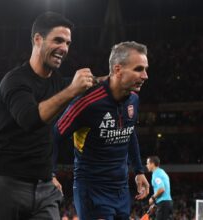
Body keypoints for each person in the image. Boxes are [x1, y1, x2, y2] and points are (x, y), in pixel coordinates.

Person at [0, 12, 97, 220]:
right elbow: (30, 119)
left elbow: (95, 83)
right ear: (38, 39)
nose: (64, 48)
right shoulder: (15, 81)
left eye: (68, 43)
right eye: (58, 40)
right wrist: (71, 91)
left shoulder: (58, 83)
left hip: (45, 191)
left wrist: (121, 77)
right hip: (5, 188)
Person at [53, 41, 150, 220]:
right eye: (138, 69)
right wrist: (49, 173)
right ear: (118, 69)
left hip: (121, 190)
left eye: (145, 69)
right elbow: (54, 135)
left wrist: (138, 171)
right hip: (92, 190)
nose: (145, 75)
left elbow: (129, 134)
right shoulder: (87, 102)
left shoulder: (134, 100)